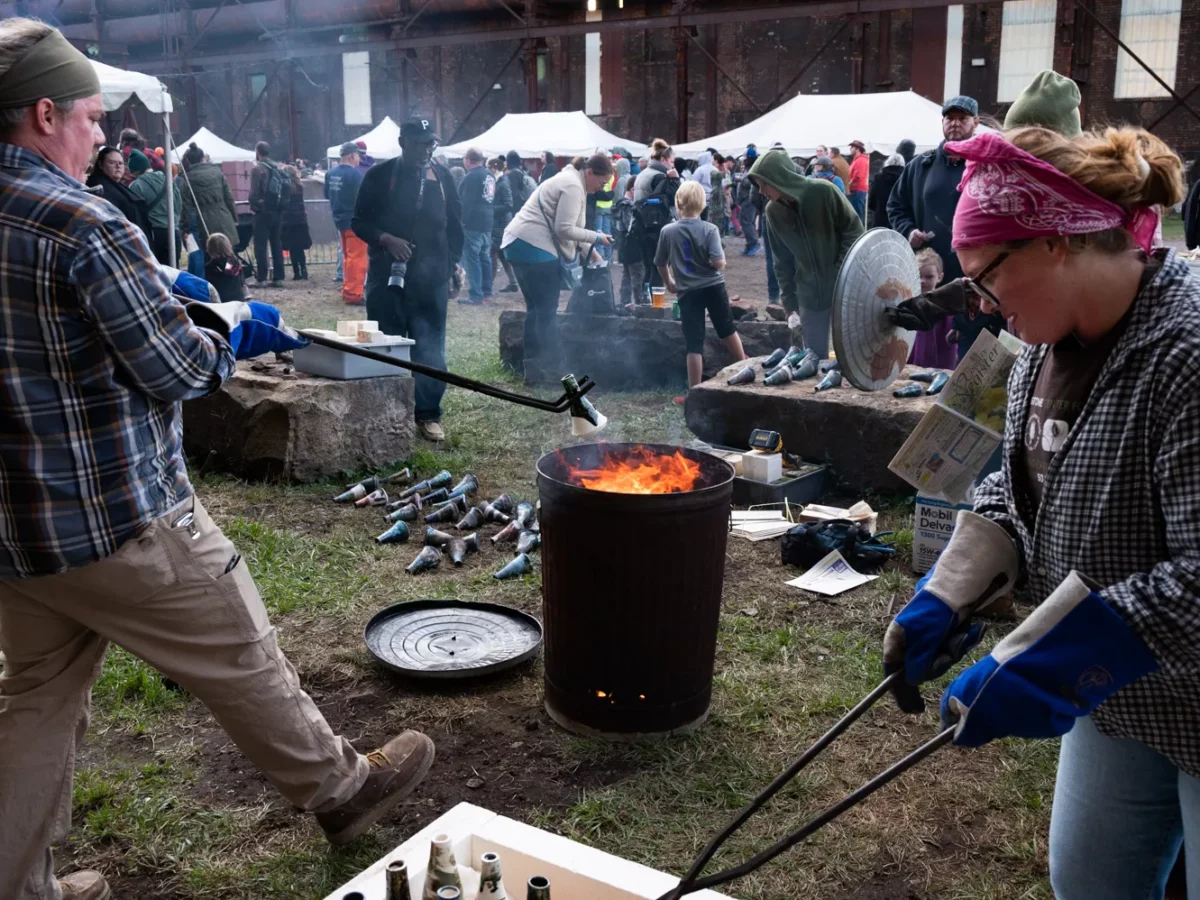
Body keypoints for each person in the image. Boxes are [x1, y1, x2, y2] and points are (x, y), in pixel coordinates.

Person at [0, 19, 435, 900]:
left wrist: (164, 296)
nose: (100, 136)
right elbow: (178, 371)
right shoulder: (84, 226)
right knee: (242, 650)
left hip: (16, 528)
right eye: (89, 117)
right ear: (44, 115)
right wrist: (226, 329)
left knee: (34, 703)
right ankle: (342, 787)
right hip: (119, 516)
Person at [883, 122, 1198, 900]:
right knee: (1090, 883)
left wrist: (1053, 658)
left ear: (1055, 243)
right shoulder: (1039, 350)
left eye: (986, 277)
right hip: (1126, 694)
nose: (981, 305)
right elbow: (1025, 487)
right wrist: (951, 586)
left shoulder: (1186, 353)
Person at [352, 117, 463, 443]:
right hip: (388, 278)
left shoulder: (442, 177)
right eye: (419, 143)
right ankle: (387, 414)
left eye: (431, 143)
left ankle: (428, 415)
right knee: (387, 345)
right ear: (403, 143)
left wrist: (452, 265)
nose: (427, 149)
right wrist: (387, 238)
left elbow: (455, 226)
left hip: (431, 280)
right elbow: (359, 222)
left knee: (430, 348)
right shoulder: (379, 176)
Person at [502, 153, 613, 378]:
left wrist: (595, 258)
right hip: (533, 246)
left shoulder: (570, 180)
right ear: (590, 172)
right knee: (546, 312)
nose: (600, 189)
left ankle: (531, 366)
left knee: (535, 310)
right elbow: (564, 229)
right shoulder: (572, 186)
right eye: (601, 183)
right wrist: (596, 237)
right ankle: (551, 367)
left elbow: (569, 229)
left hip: (517, 243)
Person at [750, 148, 864, 358]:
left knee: (853, 355)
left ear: (779, 177)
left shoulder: (823, 191)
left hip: (846, 289)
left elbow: (854, 230)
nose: (760, 191)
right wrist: (790, 306)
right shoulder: (773, 212)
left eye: (763, 183)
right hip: (809, 294)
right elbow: (781, 262)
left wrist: (841, 271)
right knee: (812, 357)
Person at [655, 181, 746, 397]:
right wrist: (717, 259)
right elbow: (718, 263)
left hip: (687, 292)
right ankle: (745, 367)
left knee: (694, 342)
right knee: (727, 329)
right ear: (703, 205)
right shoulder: (710, 229)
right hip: (713, 287)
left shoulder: (667, 231)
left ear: (678, 203)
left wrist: (669, 283)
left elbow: (660, 263)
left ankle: (694, 391)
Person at [887, 95, 980, 283]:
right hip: (931, 275)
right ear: (942, 122)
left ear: (975, 122)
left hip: (974, 270)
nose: (955, 123)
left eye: (963, 119)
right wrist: (909, 230)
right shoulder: (920, 165)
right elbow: (895, 205)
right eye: (950, 118)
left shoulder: (987, 165)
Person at [631, 138, 682, 294]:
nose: (673, 165)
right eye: (671, 161)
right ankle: (655, 305)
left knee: (649, 267)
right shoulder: (659, 177)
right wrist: (674, 180)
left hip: (640, 225)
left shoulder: (644, 173)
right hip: (654, 226)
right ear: (663, 159)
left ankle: (645, 302)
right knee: (658, 267)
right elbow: (671, 199)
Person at [327, 142, 367, 305]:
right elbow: (362, 199)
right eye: (358, 155)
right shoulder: (355, 175)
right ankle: (354, 294)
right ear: (352, 155)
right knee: (357, 259)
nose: (359, 159)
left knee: (347, 258)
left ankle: (347, 288)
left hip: (339, 220)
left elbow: (327, 194)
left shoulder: (330, 173)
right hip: (354, 222)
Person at [178, 142, 238, 250]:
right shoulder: (217, 172)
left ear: (189, 161)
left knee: (210, 255)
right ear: (203, 158)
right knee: (227, 254)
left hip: (203, 222)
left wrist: (185, 228)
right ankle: (228, 267)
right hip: (224, 217)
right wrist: (234, 217)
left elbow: (186, 207)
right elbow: (229, 197)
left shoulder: (187, 178)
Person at [126, 147, 181, 265]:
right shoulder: (168, 179)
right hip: (175, 230)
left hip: (155, 234)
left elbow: (137, 215)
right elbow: (179, 203)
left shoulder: (136, 186)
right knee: (174, 271)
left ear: (136, 170)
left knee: (159, 273)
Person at [906, 248, 957, 369]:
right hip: (911, 364)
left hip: (940, 364)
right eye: (919, 276)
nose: (923, 281)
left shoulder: (947, 303)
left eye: (929, 277)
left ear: (939, 277)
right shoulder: (906, 302)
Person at [86, 144, 150, 239]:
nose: (118, 166)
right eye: (112, 162)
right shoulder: (98, 187)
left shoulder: (119, 186)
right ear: (100, 164)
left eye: (120, 163)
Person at [458, 147, 496, 306]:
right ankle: (487, 293)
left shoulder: (471, 177)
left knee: (472, 259)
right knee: (485, 258)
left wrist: (462, 221)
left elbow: (466, 202)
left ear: (468, 160)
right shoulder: (490, 175)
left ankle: (475, 295)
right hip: (487, 221)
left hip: (472, 222)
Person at [249, 140, 289, 287]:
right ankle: (278, 277)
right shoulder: (277, 167)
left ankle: (262, 278)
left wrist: (255, 206)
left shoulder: (258, 169)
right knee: (276, 244)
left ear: (257, 152)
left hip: (262, 212)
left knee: (260, 246)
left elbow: (254, 193)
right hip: (277, 211)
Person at [488, 157, 518, 293]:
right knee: (501, 255)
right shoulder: (500, 181)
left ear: (494, 168)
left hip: (501, 224)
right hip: (501, 223)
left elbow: (508, 204)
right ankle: (513, 282)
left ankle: (488, 284)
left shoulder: (502, 183)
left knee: (492, 253)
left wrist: (491, 209)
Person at [280, 164, 311, 280]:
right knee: (300, 247)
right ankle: (304, 270)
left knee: (292, 248)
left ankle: (296, 272)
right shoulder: (299, 186)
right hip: (300, 219)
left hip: (288, 220)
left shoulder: (284, 187)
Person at [204, 232, 248, 303]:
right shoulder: (235, 261)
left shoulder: (210, 266)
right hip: (238, 299)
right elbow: (242, 281)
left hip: (221, 301)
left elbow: (210, 286)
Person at [867, 152, 905, 230]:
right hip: (900, 222)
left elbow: (871, 201)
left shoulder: (879, 178)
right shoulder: (906, 179)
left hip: (880, 220)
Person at [737, 148, 761, 255]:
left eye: (745, 159)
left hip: (749, 199)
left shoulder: (754, 169)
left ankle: (754, 244)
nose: (743, 161)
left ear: (750, 159)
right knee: (748, 222)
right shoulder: (749, 168)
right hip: (746, 199)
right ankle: (750, 245)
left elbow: (751, 182)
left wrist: (740, 180)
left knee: (746, 222)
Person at [847, 140, 869, 223]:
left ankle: (859, 233)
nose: (850, 149)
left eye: (852, 147)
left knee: (856, 214)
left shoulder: (861, 160)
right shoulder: (856, 160)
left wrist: (848, 186)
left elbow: (858, 176)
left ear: (857, 149)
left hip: (857, 190)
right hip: (855, 189)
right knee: (855, 213)